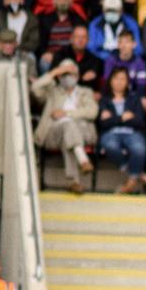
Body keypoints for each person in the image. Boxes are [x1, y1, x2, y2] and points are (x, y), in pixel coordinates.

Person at [31, 60, 98, 193]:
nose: (67, 77)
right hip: (53, 133)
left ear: (77, 76)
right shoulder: (52, 92)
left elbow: (92, 112)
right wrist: (55, 71)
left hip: (82, 131)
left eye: (70, 74)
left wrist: (66, 113)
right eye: (63, 74)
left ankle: (74, 181)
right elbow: (35, 88)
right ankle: (83, 160)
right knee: (68, 128)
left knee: (68, 131)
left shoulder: (85, 92)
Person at [97, 67, 146, 194]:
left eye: (123, 79)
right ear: (110, 81)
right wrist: (122, 117)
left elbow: (140, 121)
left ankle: (130, 181)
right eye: (116, 78)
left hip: (132, 132)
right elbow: (102, 123)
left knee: (139, 148)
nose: (119, 82)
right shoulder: (104, 100)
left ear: (127, 82)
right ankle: (136, 173)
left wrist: (113, 118)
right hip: (110, 133)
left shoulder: (134, 99)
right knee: (110, 145)